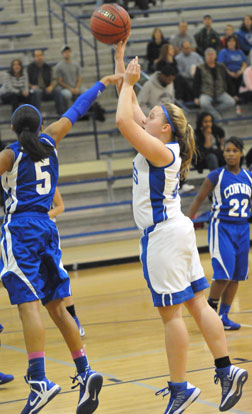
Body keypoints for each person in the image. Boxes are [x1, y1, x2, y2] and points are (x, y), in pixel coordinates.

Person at [114, 38, 248, 414]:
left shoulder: (159, 150)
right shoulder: (163, 144)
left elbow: (125, 119)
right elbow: (135, 114)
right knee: (197, 303)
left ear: (166, 128)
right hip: (178, 232)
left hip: (164, 237)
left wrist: (126, 85)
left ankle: (179, 387)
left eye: (154, 115)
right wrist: (122, 61)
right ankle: (226, 371)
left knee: (171, 313)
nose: (148, 116)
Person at [0, 71, 121, 414]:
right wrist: (102, 84)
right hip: (48, 229)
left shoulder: (9, 155)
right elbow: (78, 109)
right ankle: (84, 370)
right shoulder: (51, 140)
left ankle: (39, 381)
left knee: (28, 306)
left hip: (20, 229)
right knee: (57, 305)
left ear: (13, 129)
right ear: (39, 126)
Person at [187, 137, 251, 330]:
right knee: (224, 272)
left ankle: (223, 316)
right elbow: (198, 199)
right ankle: (209, 313)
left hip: (243, 229)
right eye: (227, 150)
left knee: (237, 275)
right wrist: (187, 222)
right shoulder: (216, 176)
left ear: (241, 152)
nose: (230, 154)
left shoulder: (248, 177)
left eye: (234, 150)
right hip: (221, 227)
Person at [49, 187, 85, 337]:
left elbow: (60, 206)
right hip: (22, 232)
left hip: (46, 230)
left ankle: (73, 317)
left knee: (59, 274)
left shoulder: (47, 176)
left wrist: (42, 216)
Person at [55, 45, 105, 121]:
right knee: (67, 94)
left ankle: (88, 111)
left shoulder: (76, 64)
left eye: (68, 52)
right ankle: (70, 115)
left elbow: (79, 78)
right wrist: (71, 89)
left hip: (76, 87)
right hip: (66, 88)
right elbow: (60, 81)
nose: (67, 53)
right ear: (62, 54)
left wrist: (77, 87)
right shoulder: (59, 66)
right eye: (65, 52)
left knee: (86, 92)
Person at [193, 47, 235, 120]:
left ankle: (211, 113)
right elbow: (196, 83)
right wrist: (196, 97)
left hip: (220, 91)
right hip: (206, 92)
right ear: (205, 57)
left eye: (212, 55)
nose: (210, 57)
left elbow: (228, 80)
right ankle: (218, 118)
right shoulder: (200, 67)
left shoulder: (221, 66)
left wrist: (233, 94)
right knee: (203, 103)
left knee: (231, 102)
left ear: (215, 56)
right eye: (208, 55)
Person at [27, 49, 65, 116]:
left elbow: (54, 80)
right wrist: (32, 86)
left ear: (43, 56)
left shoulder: (48, 67)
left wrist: (51, 86)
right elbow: (26, 81)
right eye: (37, 56)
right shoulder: (30, 68)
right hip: (35, 90)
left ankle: (61, 115)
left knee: (58, 92)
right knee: (37, 92)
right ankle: (37, 117)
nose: (39, 57)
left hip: (46, 89)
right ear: (34, 57)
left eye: (40, 55)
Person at [217, 35, 247, 104]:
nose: (231, 43)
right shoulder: (223, 52)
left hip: (239, 71)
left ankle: (240, 96)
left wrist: (241, 71)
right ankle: (233, 95)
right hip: (227, 71)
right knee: (227, 76)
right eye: (229, 41)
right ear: (227, 43)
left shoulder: (240, 52)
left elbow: (244, 63)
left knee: (244, 75)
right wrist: (229, 72)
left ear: (236, 43)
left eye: (233, 41)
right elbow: (221, 65)